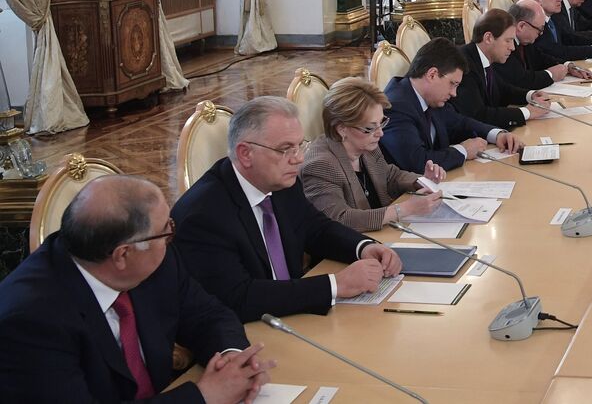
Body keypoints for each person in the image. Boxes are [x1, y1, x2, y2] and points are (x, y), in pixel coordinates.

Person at [0, 175, 273, 403]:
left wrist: (233, 358)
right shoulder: (29, 320)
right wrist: (202, 396)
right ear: (122, 255)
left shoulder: (155, 261)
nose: (170, 237)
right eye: (166, 229)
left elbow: (208, 315)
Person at [172, 96, 404, 322]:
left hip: (295, 313)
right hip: (253, 332)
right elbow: (238, 297)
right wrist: (336, 284)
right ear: (245, 154)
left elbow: (315, 228)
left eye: (299, 146)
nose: (299, 159)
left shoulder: (280, 182)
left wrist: (362, 247)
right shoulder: (204, 215)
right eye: (286, 149)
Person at [301, 77, 447, 231]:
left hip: (381, 235)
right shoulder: (320, 166)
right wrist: (404, 209)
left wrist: (422, 181)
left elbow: (389, 176)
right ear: (341, 128)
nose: (380, 133)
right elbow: (339, 219)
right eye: (370, 128)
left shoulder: (366, 146)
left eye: (381, 123)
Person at [380, 38, 521, 174]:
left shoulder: (430, 98)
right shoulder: (396, 106)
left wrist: (497, 135)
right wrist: (464, 150)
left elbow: (461, 123)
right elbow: (418, 163)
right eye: (452, 84)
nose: (454, 94)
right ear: (432, 75)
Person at [455, 9, 550, 129]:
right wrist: (527, 112)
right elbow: (478, 114)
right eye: (508, 41)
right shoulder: (464, 64)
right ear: (488, 38)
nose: (512, 47)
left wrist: (531, 95)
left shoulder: (482, 58)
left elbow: (503, 89)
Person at [499, 0, 592, 89]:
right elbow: (520, 80)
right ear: (522, 26)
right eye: (540, 29)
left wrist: (568, 66)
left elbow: (540, 58)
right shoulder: (503, 44)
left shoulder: (524, 40)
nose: (541, 33)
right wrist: (550, 75)